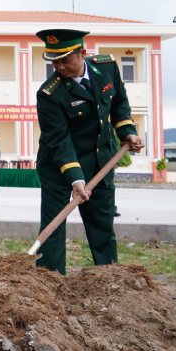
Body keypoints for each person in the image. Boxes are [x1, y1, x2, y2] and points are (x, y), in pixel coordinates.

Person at [35, 29, 144, 275]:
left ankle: (109, 277)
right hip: (59, 166)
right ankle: (50, 281)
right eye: (54, 61)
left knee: (102, 224)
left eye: (65, 60)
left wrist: (127, 131)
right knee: (54, 224)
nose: (59, 66)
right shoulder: (49, 94)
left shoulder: (106, 68)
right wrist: (75, 178)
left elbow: (118, 104)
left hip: (100, 161)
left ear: (83, 53)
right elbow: (60, 140)